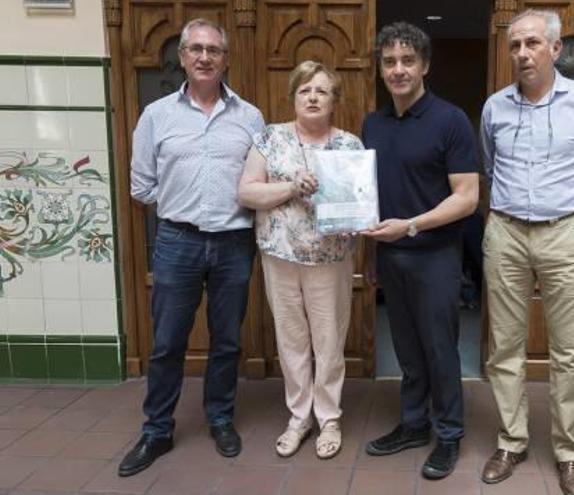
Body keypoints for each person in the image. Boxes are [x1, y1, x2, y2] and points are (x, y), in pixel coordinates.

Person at [479, 9, 574, 495]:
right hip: (506, 233)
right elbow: (490, 168)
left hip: (565, 232)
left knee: (568, 351)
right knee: (505, 346)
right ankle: (511, 441)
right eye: (515, 45)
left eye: (532, 43)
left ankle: (569, 453)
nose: (522, 53)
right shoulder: (495, 106)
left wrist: (566, 201)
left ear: (555, 49)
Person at [119, 18, 265, 477]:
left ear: (226, 59)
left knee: (226, 340)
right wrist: (183, 204)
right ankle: (157, 429)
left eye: (214, 50)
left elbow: (260, 180)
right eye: (196, 49)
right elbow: (141, 186)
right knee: (166, 344)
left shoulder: (250, 117)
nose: (205, 57)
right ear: (182, 56)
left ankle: (220, 418)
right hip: (177, 241)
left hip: (235, 244)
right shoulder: (157, 116)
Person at [360, 21, 479, 480]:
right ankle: (413, 424)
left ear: (425, 65)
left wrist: (411, 226)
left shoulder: (450, 120)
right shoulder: (373, 123)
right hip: (390, 257)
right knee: (406, 349)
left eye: (408, 60)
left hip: (435, 256)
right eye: (389, 61)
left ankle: (448, 434)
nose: (398, 69)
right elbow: (370, 196)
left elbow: (466, 197)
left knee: (439, 350)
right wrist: (371, 255)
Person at [237, 61, 363, 460]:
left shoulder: (349, 146)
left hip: (330, 259)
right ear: (293, 96)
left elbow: (361, 207)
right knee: (291, 339)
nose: (312, 97)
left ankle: (328, 416)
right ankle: (299, 417)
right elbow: (247, 193)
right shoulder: (270, 139)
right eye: (305, 90)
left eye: (321, 91)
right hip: (280, 256)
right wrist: (292, 187)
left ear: (334, 101)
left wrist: (354, 219)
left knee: (328, 341)